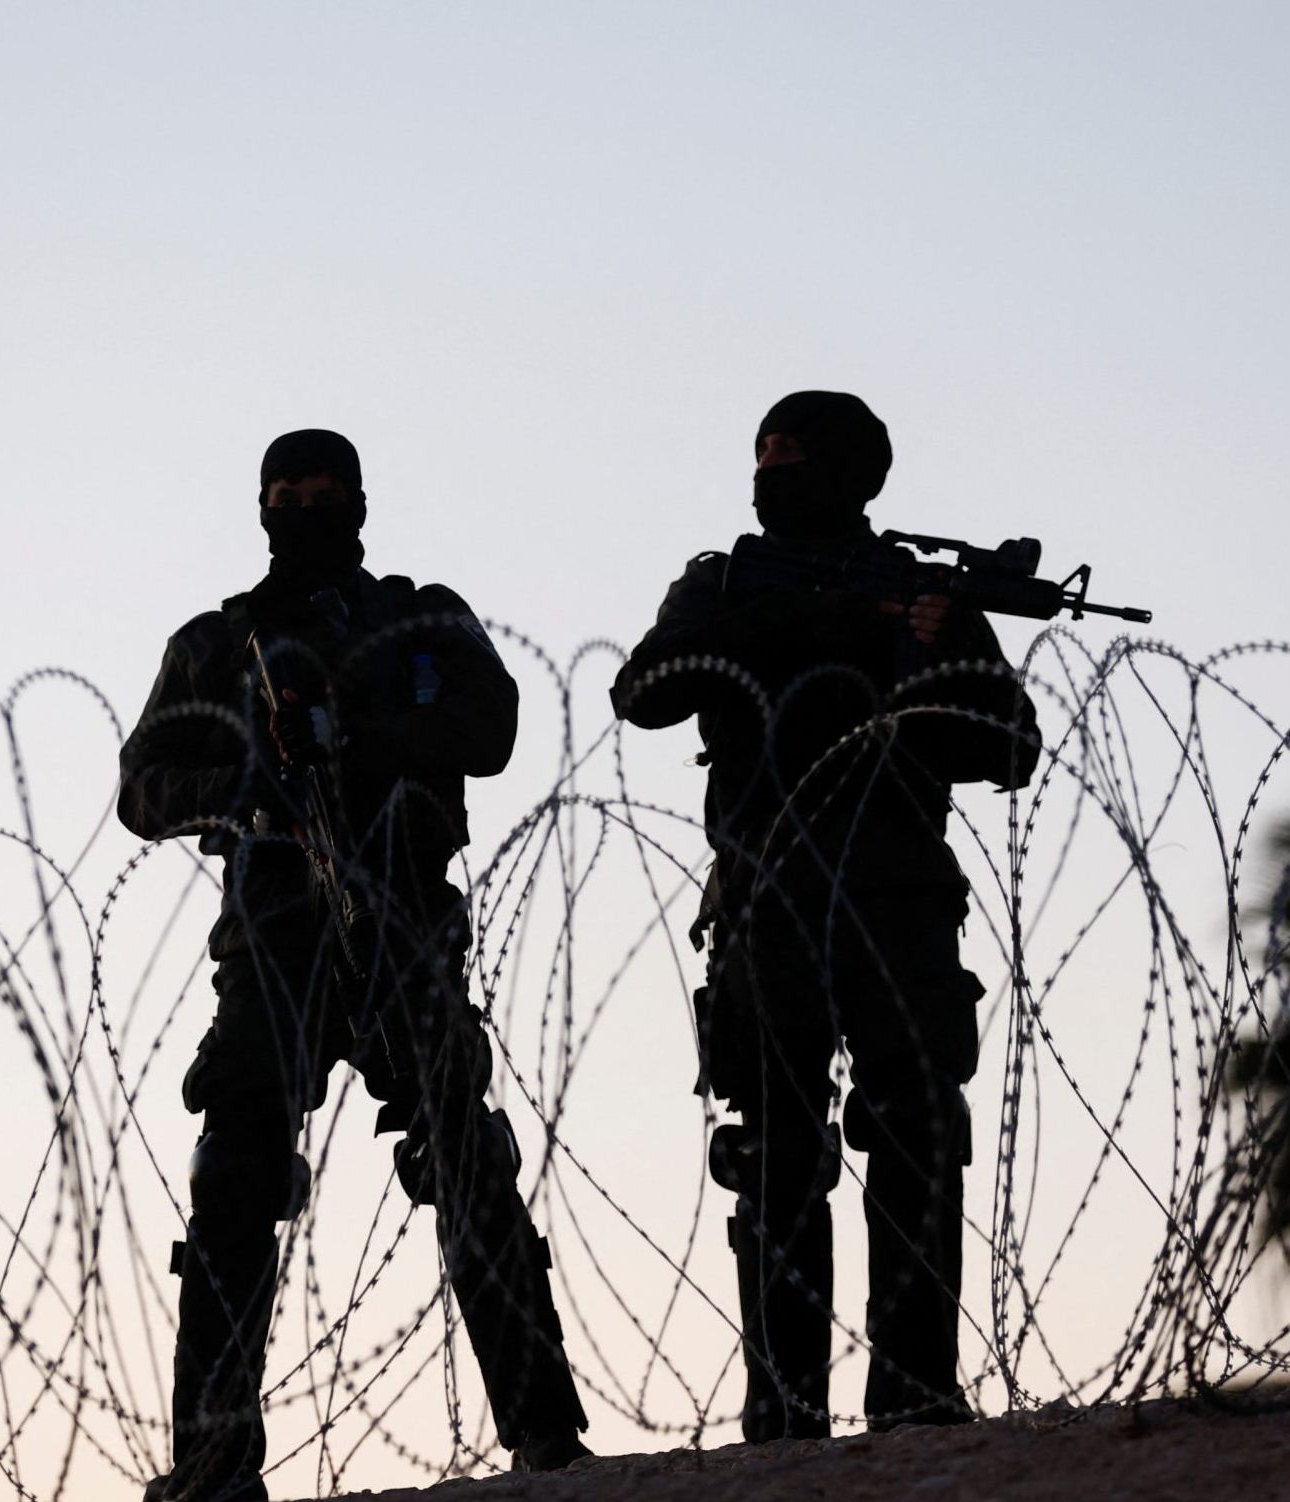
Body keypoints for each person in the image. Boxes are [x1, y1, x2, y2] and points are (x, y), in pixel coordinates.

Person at [120, 429, 589, 1501]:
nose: (302, 507)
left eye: (321, 490)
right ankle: (213, 1452)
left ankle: (545, 1431)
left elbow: (492, 724)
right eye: (283, 492)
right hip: (275, 935)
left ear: (360, 502)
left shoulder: (419, 616)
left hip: (402, 917)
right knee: (236, 1178)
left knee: (465, 1158)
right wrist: (250, 775)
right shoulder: (217, 642)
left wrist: (363, 736)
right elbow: (143, 786)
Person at [610, 391, 1041, 1439]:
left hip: (896, 889)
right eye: (761, 450)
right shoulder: (718, 584)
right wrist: (800, 622)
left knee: (916, 1128)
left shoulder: (917, 593)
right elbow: (645, 689)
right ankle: (785, 1406)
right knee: (775, 1150)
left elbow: (1008, 745)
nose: (770, 467)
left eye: (794, 452)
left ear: (850, 469)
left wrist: (928, 654)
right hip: (768, 889)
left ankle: (912, 1390)